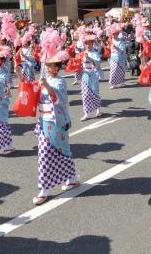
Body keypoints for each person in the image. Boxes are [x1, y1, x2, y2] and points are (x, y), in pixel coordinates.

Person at [33, 50, 79, 205]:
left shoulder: (60, 81)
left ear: (57, 68)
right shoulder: (44, 79)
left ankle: (44, 189)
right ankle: (70, 179)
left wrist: (46, 85)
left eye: (50, 65)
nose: (47, 67)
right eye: (46, 65)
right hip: (44, 120)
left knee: (57, 151)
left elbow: (58, 99)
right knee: (47, 152)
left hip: (56, 121)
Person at [80, 34, 103, 120]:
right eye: (86, 43)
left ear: (92, 44)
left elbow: (97, 64)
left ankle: (98, 108)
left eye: (89, 43)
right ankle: (86, 113)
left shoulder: (95, 53)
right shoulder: (83, 53)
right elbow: (79, 63)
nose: (88, 45)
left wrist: (90, 59)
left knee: (95, 93)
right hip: (85, 75)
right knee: (85, 94)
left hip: (93, 75)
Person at [108, 25, 127, 89]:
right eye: (112, 34)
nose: (113, 35)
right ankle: (112, 83)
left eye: (115, 34)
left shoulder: (120, 41)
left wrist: (116, 47)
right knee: (113, 70)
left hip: (119, 57)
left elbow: (122, 50)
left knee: (121, 71)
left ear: (117, 34)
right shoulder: (111, 40)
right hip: (113, 57)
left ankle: (121, 82)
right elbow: (108, 48)